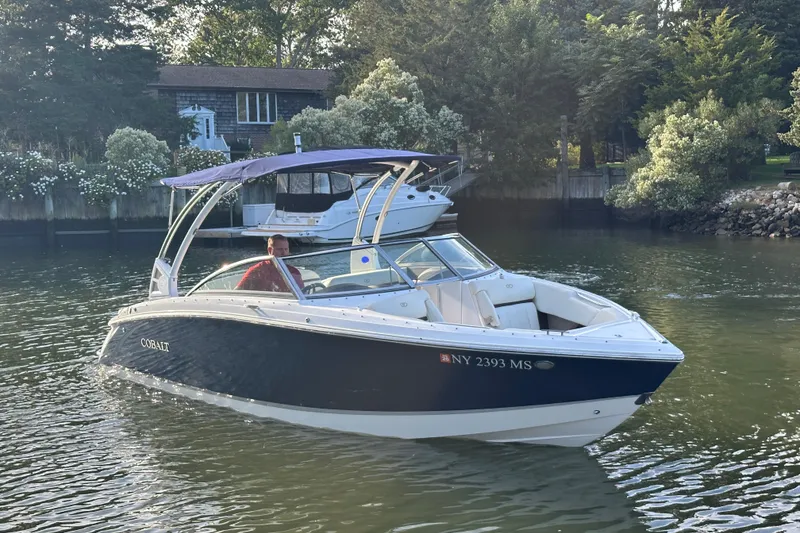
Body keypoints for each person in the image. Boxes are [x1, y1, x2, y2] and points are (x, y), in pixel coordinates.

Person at [236, 235, 305, 292]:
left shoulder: (293, 271)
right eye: (280, 249)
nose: (284, 253)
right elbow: (237, 292)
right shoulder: (257, 271)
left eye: (286, 249)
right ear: (269, 250)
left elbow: (302, 293)